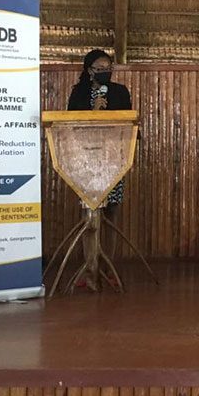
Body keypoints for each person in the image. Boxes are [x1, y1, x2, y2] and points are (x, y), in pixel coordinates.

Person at [67, 49, 132, 261]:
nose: (105, 72)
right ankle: (90, 265)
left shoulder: (120, 92)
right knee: (89, 215)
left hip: (114, 161)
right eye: (99, 69)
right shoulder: (79, 94)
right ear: (89, 70)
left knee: (111, 214)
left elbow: (128, 124)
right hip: (85, 161)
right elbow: (70, 126)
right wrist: (92, 111)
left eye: (108, 69)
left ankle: (107, 265)